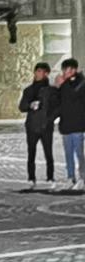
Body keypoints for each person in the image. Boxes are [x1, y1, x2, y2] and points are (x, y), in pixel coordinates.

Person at [20, 62, 57, 190]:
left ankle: (50, 177)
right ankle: (31, 178)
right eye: (36, 71)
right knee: (31, 153)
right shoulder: (29, 90)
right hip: (32, 126)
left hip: (46, 126)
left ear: (46, 73)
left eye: (41, 71)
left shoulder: (52, 91)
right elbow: (22, 107)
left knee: (48, 153)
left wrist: (50, 119)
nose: (37, 74)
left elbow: (57, 108)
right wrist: (30, 105)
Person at [54, 57, 85, 191]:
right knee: (68, 154)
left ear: (74, 70)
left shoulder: (81, 83)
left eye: (67, 70)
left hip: (78, 125)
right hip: (66, 125)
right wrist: (56, 88)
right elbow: (58, 102)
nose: (65, 73)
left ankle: (82, 178)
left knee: (79, 153)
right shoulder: (64, 84)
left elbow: (73, 95)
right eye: (64, 70)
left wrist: (62, 85)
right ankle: (70, 177)